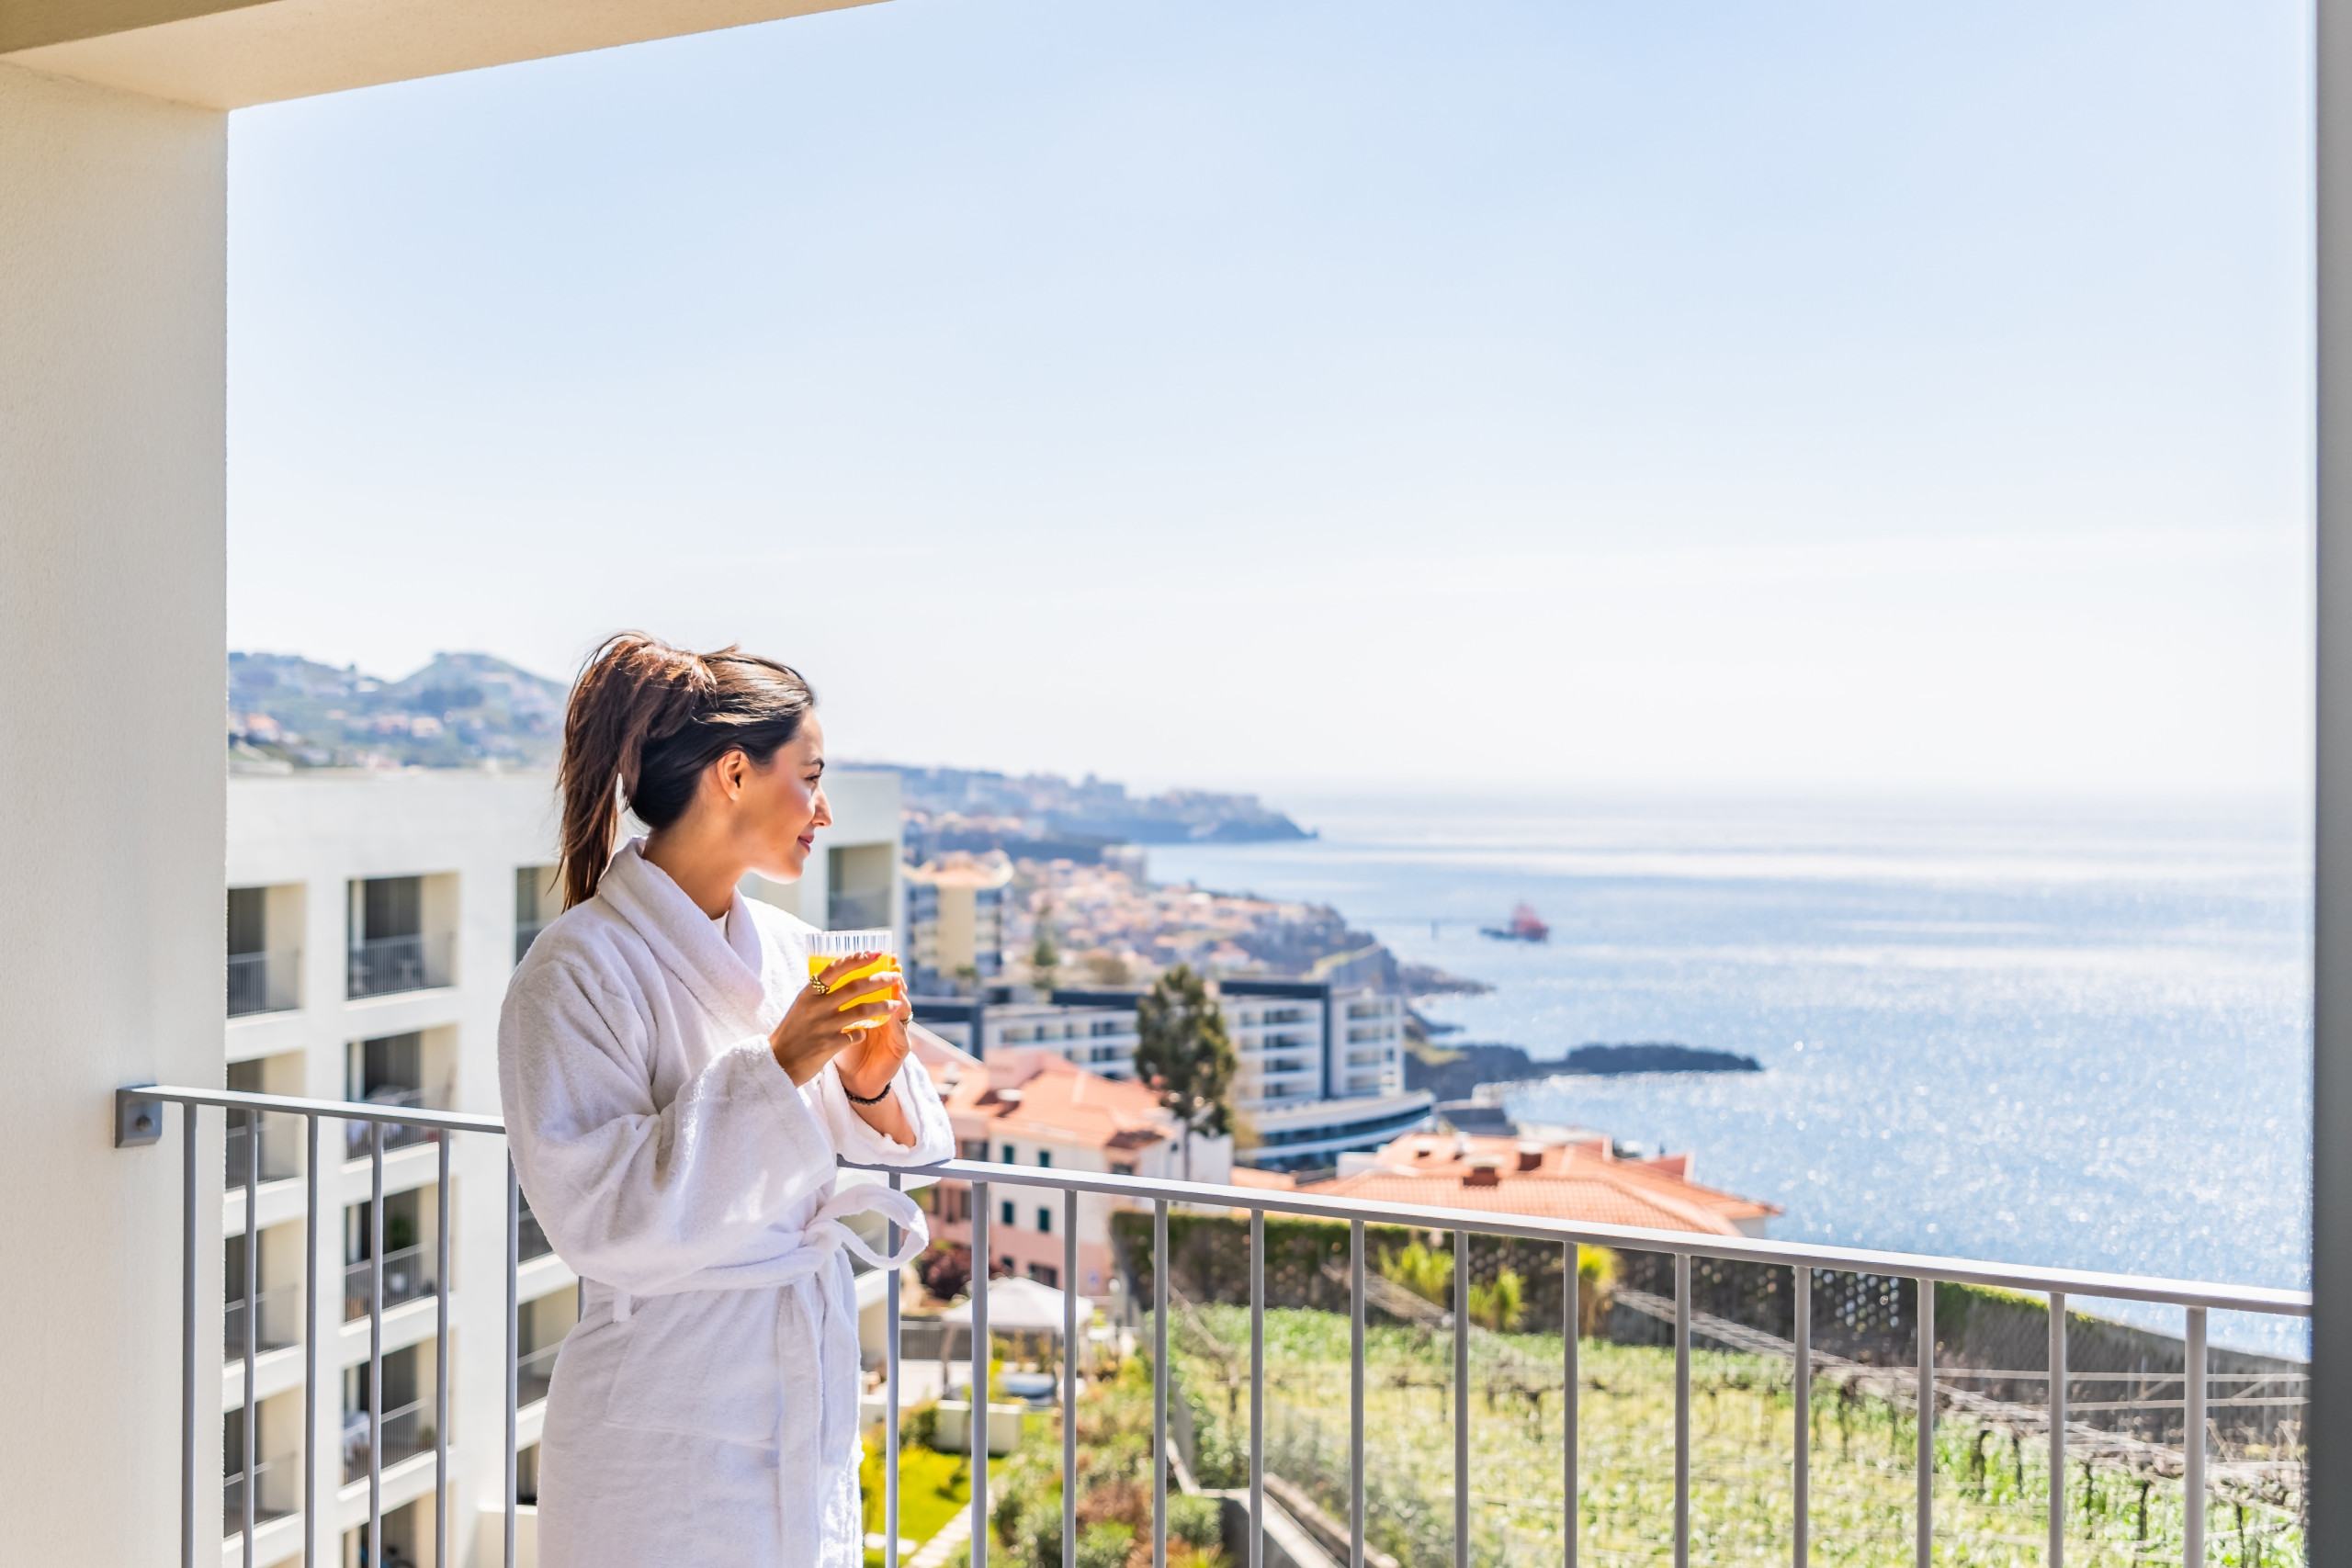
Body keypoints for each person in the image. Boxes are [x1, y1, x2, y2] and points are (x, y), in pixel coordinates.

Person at [498, 634, 953, 1567]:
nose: (824, 810)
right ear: (735, 774)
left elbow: (873, 1140)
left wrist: (867, 1081)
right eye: (810, 777)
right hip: (661, 1426)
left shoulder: (789, 947)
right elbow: (601, 1221)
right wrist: (778, 1065)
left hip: (798, 1396)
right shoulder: (575, 971)